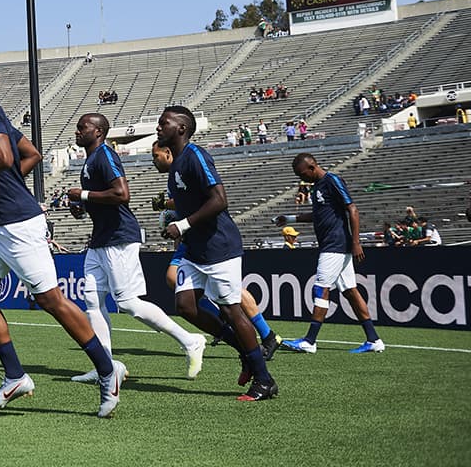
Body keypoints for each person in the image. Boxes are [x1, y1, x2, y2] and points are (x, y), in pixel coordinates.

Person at [0, 64, 123, 416]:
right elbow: (31, 155)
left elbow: (4, 157)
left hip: (18, 224)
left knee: (52, 301)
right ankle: (14, 375)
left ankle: (108, 371)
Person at [68, 113, 206, 382]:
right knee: (92, 301)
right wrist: (81, 207)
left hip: (119, 237)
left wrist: (83, 195)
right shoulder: (91, 159)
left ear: (98, 132)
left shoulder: (105, 155)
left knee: (129, 304)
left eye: (82, 127)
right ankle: (105, 368)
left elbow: (122, 193)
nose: (77, 131)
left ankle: (190, 341)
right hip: (100, 239)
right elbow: (101, 199)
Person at [156, 105, 277, 401]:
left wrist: (182, 224)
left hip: (218, 246)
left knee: (232, 311)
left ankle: (264, 380)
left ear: (182, 128)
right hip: (195, 248)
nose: (159, 128)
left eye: (164, 123)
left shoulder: (196, 156)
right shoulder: (178, 163)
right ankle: (246, 353)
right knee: (185, 305)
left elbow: (219, 200)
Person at [150, 142, 281, 360]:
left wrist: (171, 211)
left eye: (155, 155)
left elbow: (210, 199)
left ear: (167, 152)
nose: (153, 160)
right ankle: (230, 330)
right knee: (176, 284)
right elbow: (186, 204)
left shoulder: (192, 160)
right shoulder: (173, 174)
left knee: (232, 296)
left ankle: (265, 336)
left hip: (209, 238)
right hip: (191, 239)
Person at [276, 154, 385, 354]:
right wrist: (289, 218)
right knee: (350, 291)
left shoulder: (331, 181)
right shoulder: (317, 186)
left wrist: (356, 242)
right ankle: (373, 339)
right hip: (333, 245)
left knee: (321, 288)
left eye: (303, 174)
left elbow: (352, 209)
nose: (303, 179)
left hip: (335, 245)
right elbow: (318, 216)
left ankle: (309, 341)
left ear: (312, 167)